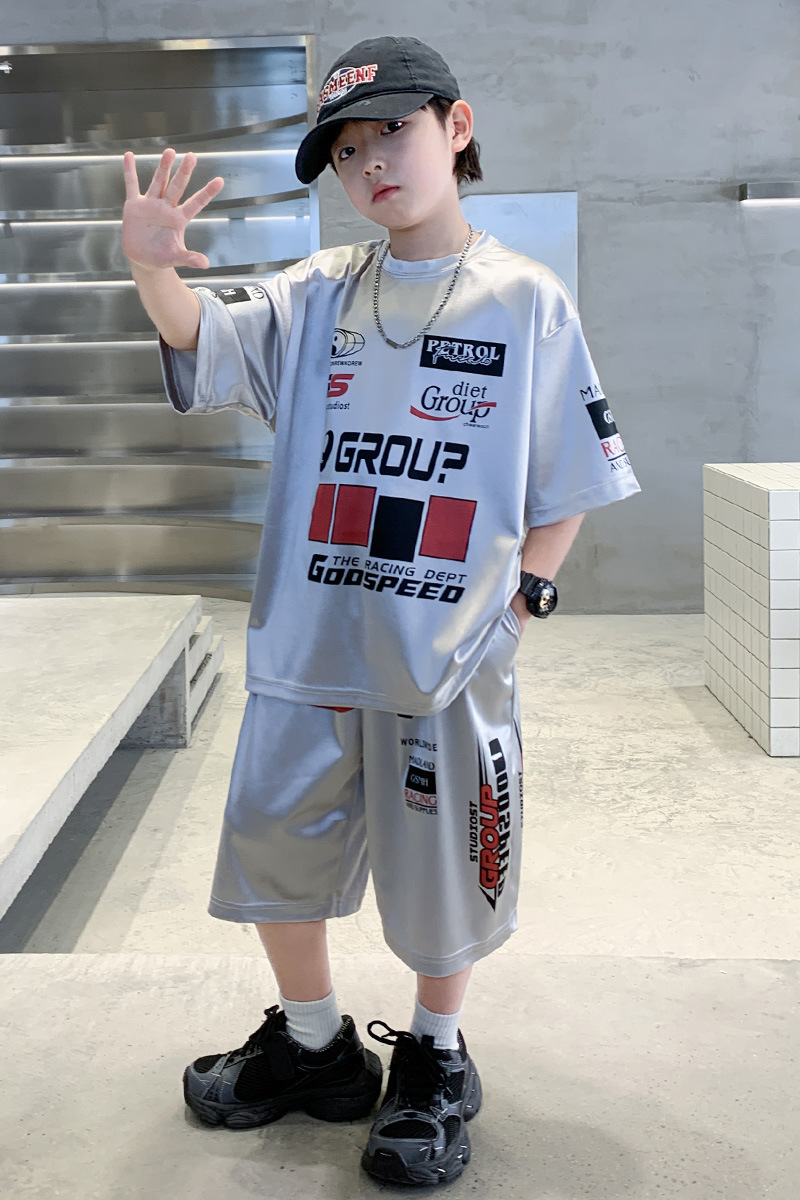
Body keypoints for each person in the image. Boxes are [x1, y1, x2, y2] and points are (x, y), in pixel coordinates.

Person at [122, 35, 641, 1188]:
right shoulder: (315, 293)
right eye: (348, 151)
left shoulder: (524, 300)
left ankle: (435, 1056)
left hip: (442, 656)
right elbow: (203, 337)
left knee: (446, 868)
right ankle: (314, 1049)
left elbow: (569, 475)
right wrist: (154, 271)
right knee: (275, 846)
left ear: (455, 127)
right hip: (308, 641)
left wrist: (522, 599)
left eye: (392, 133)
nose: (372, 165)